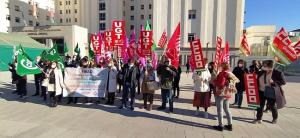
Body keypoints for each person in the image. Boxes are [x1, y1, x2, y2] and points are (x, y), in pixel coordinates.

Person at [253, 60, 286, 124]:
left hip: (270, 91)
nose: (263, 67)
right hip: (261, 91)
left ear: (269, 66)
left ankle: (275, 118)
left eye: (264, 66)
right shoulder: (262, 72)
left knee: (272, 106)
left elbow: (283, 82)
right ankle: (259, 119)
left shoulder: (278, 73)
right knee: (260, 106)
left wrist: (274, 82)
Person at [213, 62, 239, 131]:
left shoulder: (222, 73)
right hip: (228, 93)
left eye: (220, 65)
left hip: (221, 93)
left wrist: (214, 81)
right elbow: (237, 81)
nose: (219, 66)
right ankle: (230, 125)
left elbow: (221, 84)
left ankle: (220, 125)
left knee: (220, 110)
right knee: (227, 109)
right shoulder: (230, 73)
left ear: (222, 67)